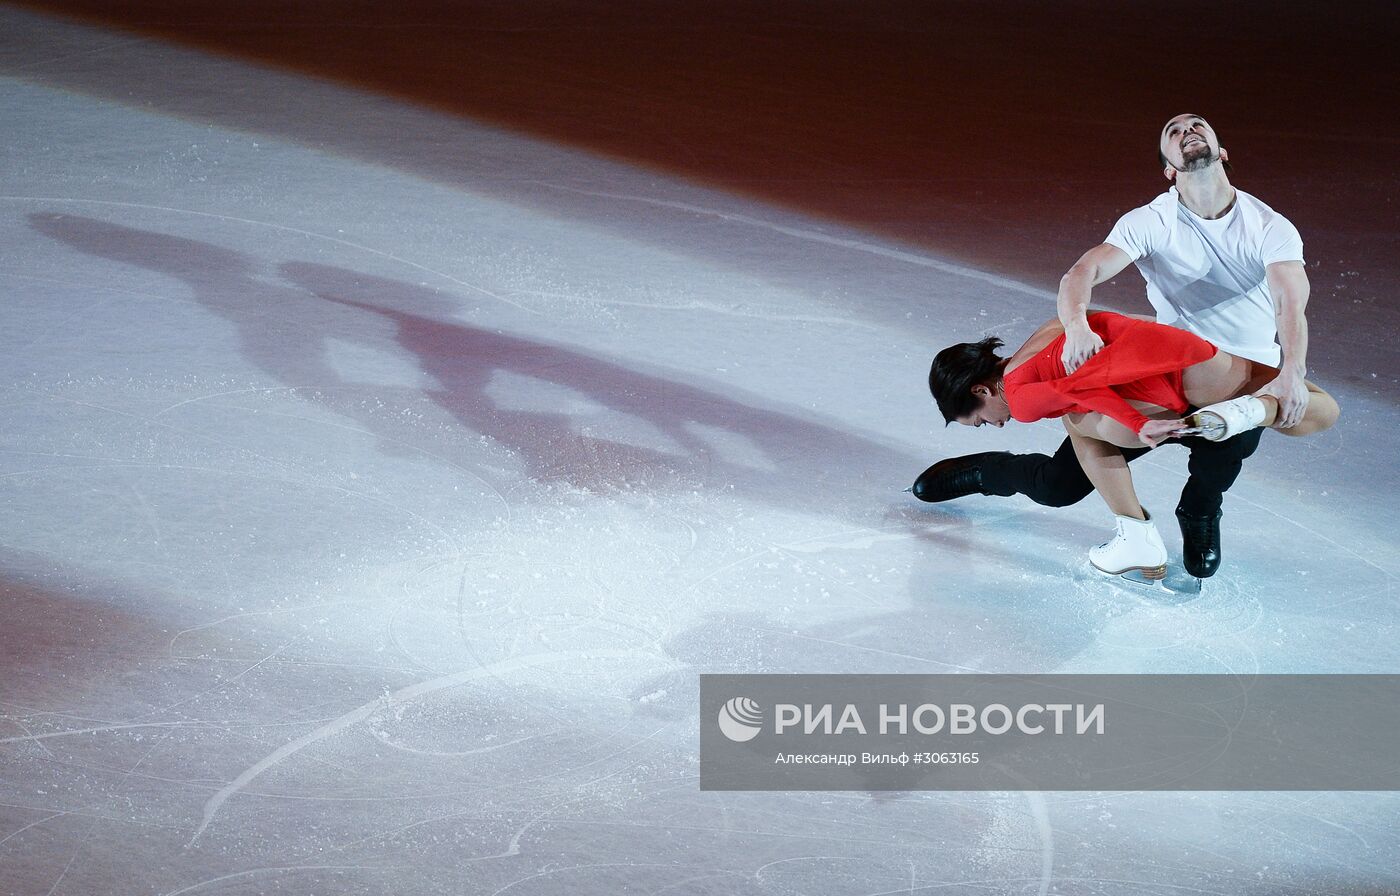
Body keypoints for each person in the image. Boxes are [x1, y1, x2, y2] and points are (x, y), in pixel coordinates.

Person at [914, 113, 1316, 579]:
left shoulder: (1270, 226)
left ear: (1222, 152)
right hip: (1163, 371)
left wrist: (1292, 370)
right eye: (1173, 131)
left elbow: (1290, 302)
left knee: (1219, 459)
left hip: (1242, 375)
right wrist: (1078, 324)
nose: (1187, 131)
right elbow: (1081, 274)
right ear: (1169, 169)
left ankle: (1199, 514)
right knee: (1059, 483)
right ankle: (984, 472)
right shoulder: (1151, 222)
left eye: (1197, 126)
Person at [928, 311, 1338, 578]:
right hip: (1168, 383)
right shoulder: (1047, 335)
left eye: (980, 419)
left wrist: (1139, 423)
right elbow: (1087, 381)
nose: (994, 424)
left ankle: (1184, 517)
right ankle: (987, 470)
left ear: (981, 388)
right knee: (1058, 484)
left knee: (1231, 445)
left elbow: (1083, 389)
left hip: (1177, 379)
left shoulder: (1021, 395)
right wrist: (1141, 420)